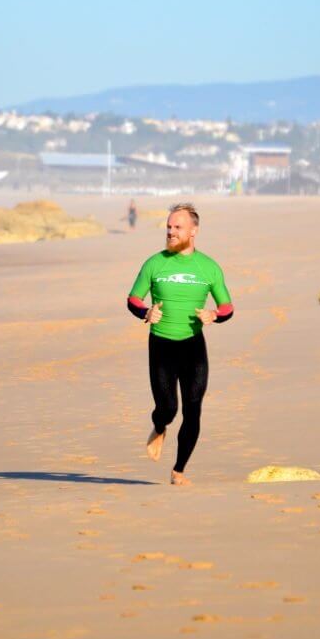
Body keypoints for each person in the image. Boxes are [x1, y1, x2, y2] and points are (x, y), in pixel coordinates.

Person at [126, 202, 234, 485]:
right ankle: (159, 426)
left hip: (193, 346)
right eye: (169, 227)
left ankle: (179, 471)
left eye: (177, 227)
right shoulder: (154, 263)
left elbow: (227, 307)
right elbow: (133, 299)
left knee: (193, 407)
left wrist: (213, 315)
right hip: (161, 345)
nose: (171, 232)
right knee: (168, 408)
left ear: (193, 231)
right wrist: (146, 312)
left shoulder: (208, 268)